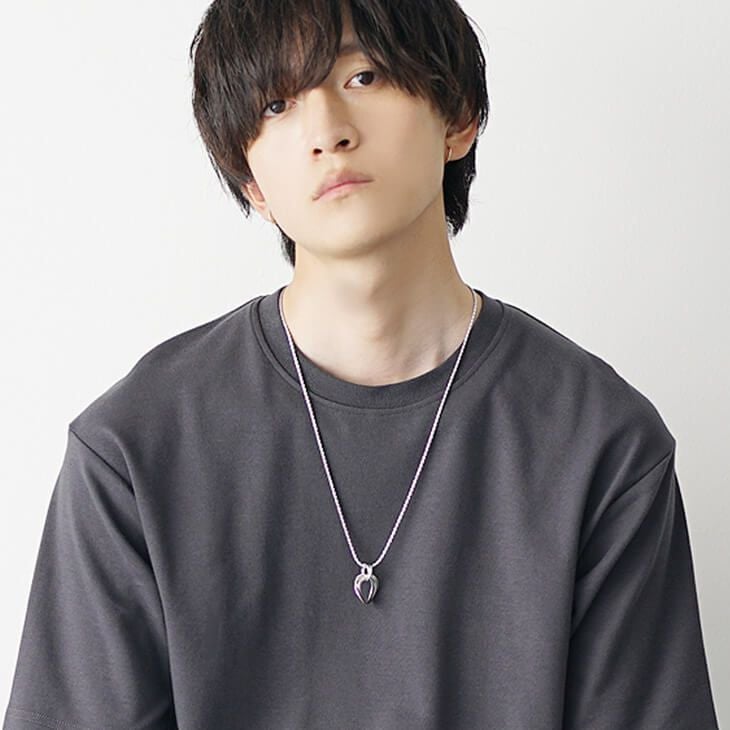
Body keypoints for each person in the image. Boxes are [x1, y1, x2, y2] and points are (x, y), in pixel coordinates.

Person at [3, 1, 720, 728]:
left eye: (363, 76)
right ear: (251, 181)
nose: (327, 131)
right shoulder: (134, 450)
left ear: (458, 115)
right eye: (277, 103)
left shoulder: (602, 444)